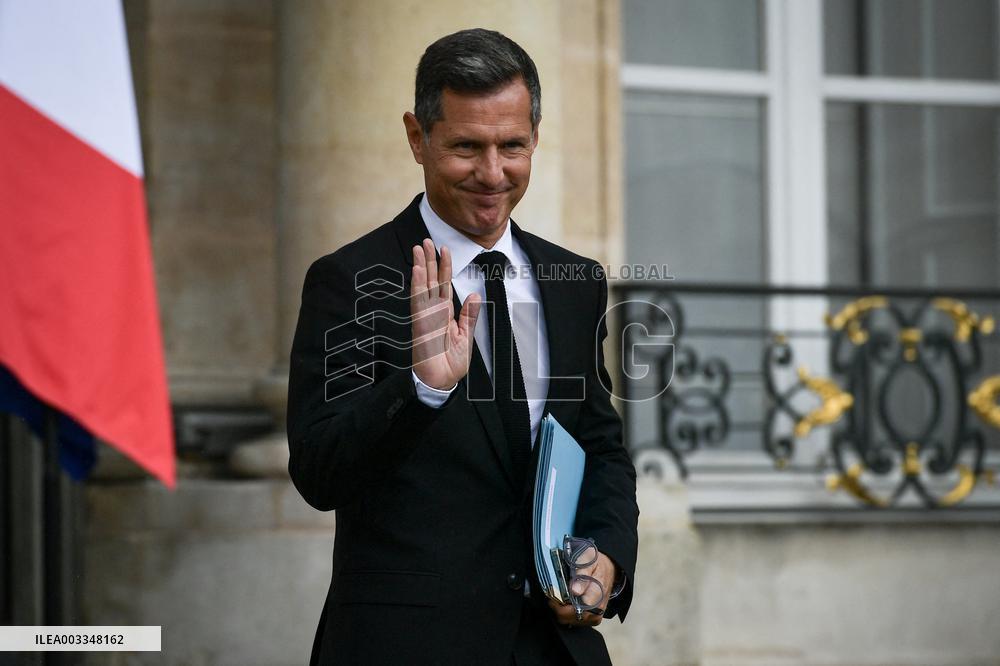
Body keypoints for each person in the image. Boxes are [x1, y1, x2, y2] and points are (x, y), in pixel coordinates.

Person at [287, 28, 638, 666]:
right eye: (466, 147)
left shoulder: (575, 283)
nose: (492, 173)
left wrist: (608, 558)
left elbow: (600, 447)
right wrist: (422, 390)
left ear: (536, 136)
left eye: (513, 146)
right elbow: (318, 470)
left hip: (552, 648)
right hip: (407, 648)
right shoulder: (350, 280)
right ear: (417, 138)